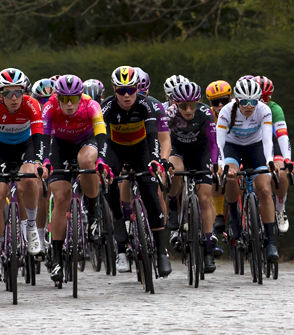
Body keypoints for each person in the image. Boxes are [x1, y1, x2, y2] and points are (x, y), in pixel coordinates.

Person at [0, 68, 46, 281]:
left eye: (18, 92)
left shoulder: (31, 104)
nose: (14, 98)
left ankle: (32, 229)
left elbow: (39, 137)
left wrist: (39, 162)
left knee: (30, 180)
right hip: (0, 149)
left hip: (26, 146)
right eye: (8, 93)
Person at [101, 66, 171, 277]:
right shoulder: (106, 108)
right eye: (121, 91)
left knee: (151, 193)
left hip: (142, 149)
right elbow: (102, 139)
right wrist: (103, 162)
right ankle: (119, 222)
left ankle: (161, 253)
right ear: (114, 90)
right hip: (117, 149)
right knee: (109, 177)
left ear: (137, 89)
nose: (127, 95)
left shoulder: (146, 105)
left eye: (131, 90)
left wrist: (155, 160)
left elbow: (153, 136)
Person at [42, 75, 108, 283]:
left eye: (73, 99)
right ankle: (57, 257)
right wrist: (44, 161)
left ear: (81, 97)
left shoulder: (91, 105)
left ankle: (94, 211)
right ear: (57, 97)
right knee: (60, 198)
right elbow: (43, 136)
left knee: (87, 162)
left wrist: (102, 160)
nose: (69, 104)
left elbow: (101, 134)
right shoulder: (50, 106)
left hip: (85, 142)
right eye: (64, 99)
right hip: (60, 146)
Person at [216, 78, 279, 261]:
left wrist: (269, 161)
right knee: (230, 178)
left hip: (256, 147)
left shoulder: (264, 110)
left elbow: (267, 140)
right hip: (232, 147)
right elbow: (219, 142)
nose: (249, 106)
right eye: (244, 101)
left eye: (253, 101)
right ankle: (234, 217)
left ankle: (271, 242)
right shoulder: (226, 112)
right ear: (237, 100)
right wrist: (223, 166)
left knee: (265, 190)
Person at [166, 82, 219, 273]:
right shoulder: (169, 115)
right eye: (183, 106)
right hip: (178, 151)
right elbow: (163, 139)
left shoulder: (205, 113)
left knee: (205, 197)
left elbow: (213, 142)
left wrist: (214, 163)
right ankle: (173, 205)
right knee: (175, 171)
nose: (188, 110)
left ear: (198, 102)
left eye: (192, 105)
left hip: (200, 153)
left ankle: (207, 251)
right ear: (175, 103)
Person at [254, 76, 294, 233]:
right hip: (252, 145)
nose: (263, 101)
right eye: (260, 97)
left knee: (282, 173)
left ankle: (280, 208)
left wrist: (287, 160)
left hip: (272, 143)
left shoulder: (275, 109)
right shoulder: (244, 107)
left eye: (266, 97)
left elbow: (282, 136)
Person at [205, 79, 233, 235]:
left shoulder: (239, 110)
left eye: (225, 100)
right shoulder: (208, 115)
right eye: (216, 102)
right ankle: (219, 214)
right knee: (215, 174)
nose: (221, 105)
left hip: (235, 149)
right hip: (215, 150)